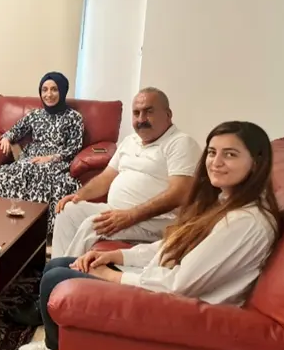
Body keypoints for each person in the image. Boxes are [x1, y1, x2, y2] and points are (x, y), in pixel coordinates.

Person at [12, 121, 282, 350]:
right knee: (58, 264)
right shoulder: (225, 203)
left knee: (57, 277)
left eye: (230, 154)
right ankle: (58, 344)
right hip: (160, 283)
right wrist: (117, 255)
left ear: (257, 163)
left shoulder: (244, 223)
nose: (216, 162)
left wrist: (112, 275)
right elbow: (172, 246)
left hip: (172, 307)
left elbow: (178, 285)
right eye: (212, 152)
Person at [52, 87, 202, 256]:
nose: (141, 119)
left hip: (156, 221)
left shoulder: (181, 143)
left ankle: (66, 269)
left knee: (93, 225)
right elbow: (106, 177)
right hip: (117, 211)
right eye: (136, 113)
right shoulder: (130, 141)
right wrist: (79, 195)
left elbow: (180, 193)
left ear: (168, 114)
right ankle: (56, 266)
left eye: (149, 112)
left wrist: (131, 215)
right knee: (68, 211)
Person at [0, 72, 84, 235]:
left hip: (57, 161)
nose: (48, 94)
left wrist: (51, 158)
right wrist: (6, 138)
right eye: (44, 90)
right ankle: (8, 223)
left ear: (62, 91)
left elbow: (74, 147)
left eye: (54, 89)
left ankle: (37, 231)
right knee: (4, 174)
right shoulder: (35, 115)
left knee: (42, 175)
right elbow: (16, 130)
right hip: (31, 158)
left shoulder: (74, 117)